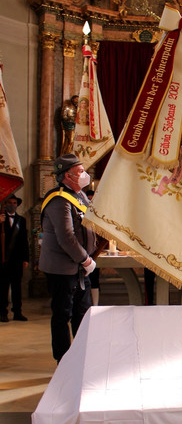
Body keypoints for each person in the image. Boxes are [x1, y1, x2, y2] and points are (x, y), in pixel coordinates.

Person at [39, 154, 97, 362]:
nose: (85, 175)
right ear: (67, 175)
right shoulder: (59, 200)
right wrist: (86, 260)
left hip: (80, 267)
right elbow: (66, 237)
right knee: (63, 314)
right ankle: (63, 360)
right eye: (80, 172)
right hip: (62, 269)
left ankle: (81, 357)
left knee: (82, 313)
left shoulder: (80, 195)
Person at [0, 195, 30, 322]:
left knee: (17, 287)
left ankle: (17, 312)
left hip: (17, 259)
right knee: (3, 287)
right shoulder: (1, 219)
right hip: (3, 259)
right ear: (5, 204)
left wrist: (26, 258)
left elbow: (24, 240)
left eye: (14, 203)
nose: (12, 204)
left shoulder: (21, 220)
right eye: (9, 202)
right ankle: (3, 312)